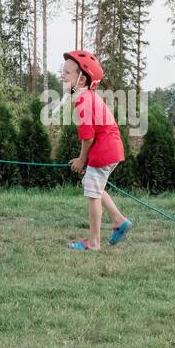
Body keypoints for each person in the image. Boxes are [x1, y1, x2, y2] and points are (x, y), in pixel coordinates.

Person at [63, 50, 131, 251]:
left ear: (81, 79)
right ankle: (119, 220)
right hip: (110, 149)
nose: (62, 76)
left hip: (104, 152)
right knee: (93, 185)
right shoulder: (90, 97)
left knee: (92, 194)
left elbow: (88, 137)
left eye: (67, 72)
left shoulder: (83, 101)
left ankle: (93, 243)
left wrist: (81, 160)